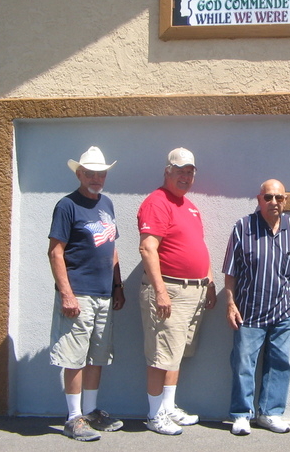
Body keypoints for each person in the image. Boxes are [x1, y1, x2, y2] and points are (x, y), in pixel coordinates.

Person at [223, 179, 290, 436]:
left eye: (279, 197)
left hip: (283, 311)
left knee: (279, 363)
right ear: (259, 199)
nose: (274, 202)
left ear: (286, 200)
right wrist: (230, 304)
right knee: (243, 363)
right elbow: (230, 271)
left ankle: (270, 413)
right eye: (269, 197)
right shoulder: (243, 227)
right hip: (249, 311)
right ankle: (242, 414)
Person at [137, 147, 216, 435]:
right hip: (169, 290)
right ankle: (154, 414)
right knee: (161, 356)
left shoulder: (189, 206)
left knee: (175, 353)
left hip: (193, 292)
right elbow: (148, 248)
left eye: (190, 171)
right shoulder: (157, 203)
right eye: (180, 171)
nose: (185, 176)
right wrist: (160, 292)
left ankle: (168, 407)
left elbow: (198, 245)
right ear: (167, 171)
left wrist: (209, 282)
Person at [48, 146, 125, 441]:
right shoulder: (67, 206)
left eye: (101, 173)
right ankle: (73, 418)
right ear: (79, 174)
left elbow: (112, 249)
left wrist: (117, 286)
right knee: (75, 357)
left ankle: (91, 412)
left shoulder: (107, 204)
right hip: (78, 293)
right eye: (90, 173)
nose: (96, 178)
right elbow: (56, 252)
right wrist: (66, 294)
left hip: (104, 294)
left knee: (97, 356)